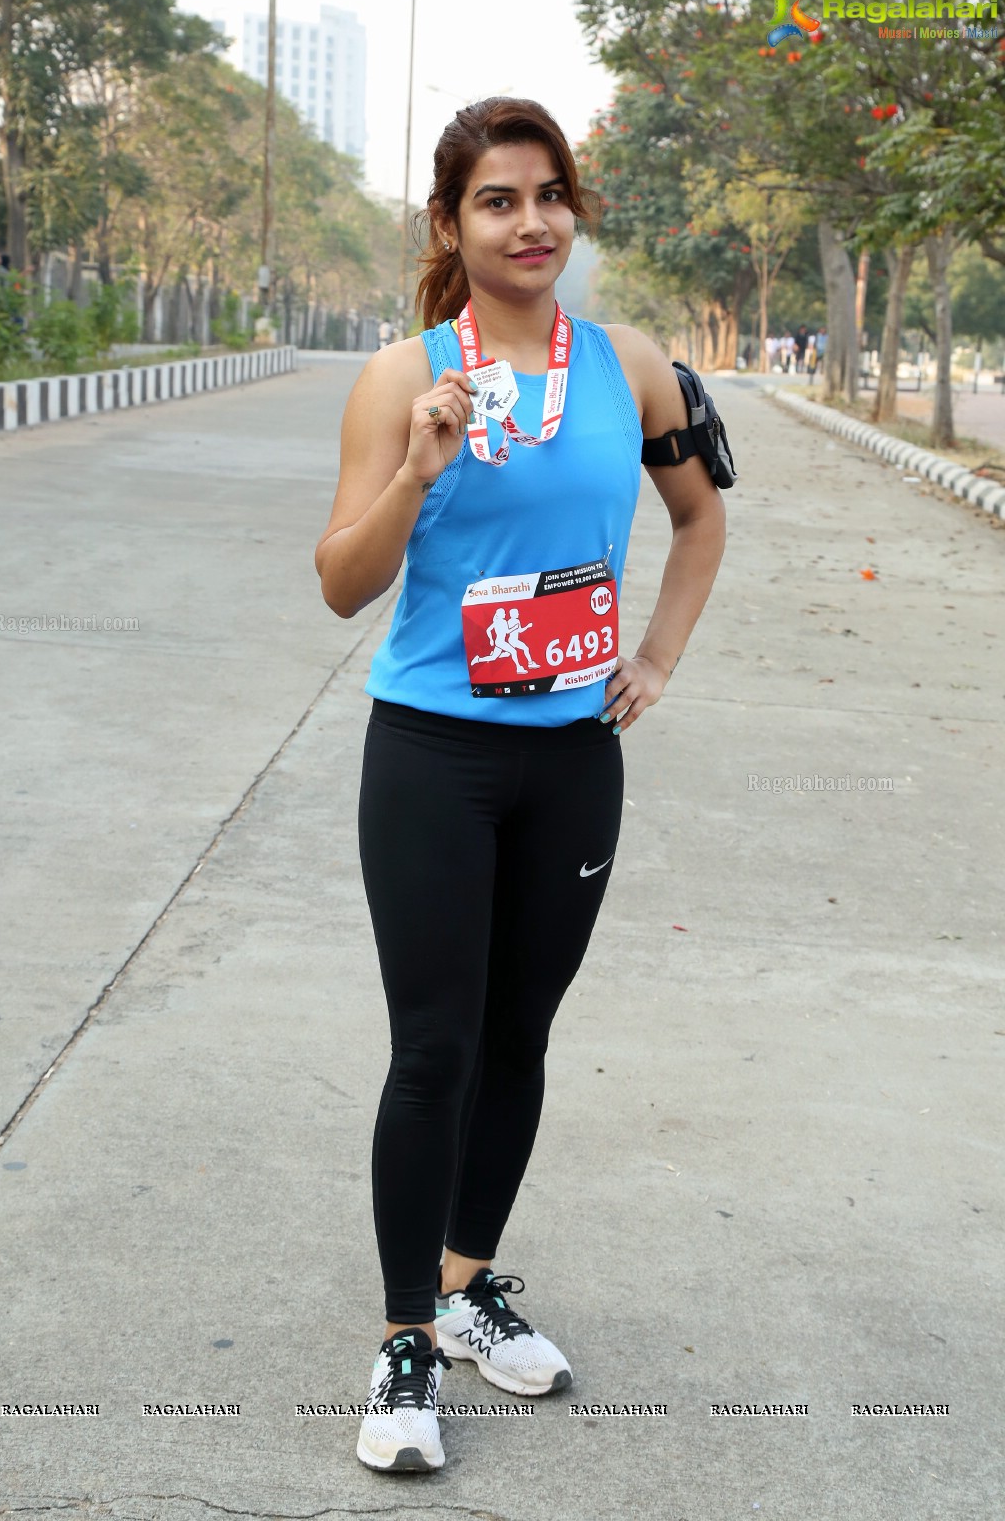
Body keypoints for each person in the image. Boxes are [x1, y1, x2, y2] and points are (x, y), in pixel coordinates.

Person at [314, 96, 726, 1474]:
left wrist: (656, 655)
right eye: (498, 199)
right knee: (434, 1046)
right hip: (433, 751)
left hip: (569, 764)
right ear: (451, 224)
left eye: (550, 193)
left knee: (518, 1040)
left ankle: (466, 1279)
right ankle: (403, 1348)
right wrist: (419, 473)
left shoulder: (636, 367)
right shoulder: (403, 377)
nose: (532, 219)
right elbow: (339, 586)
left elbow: (701, 513)